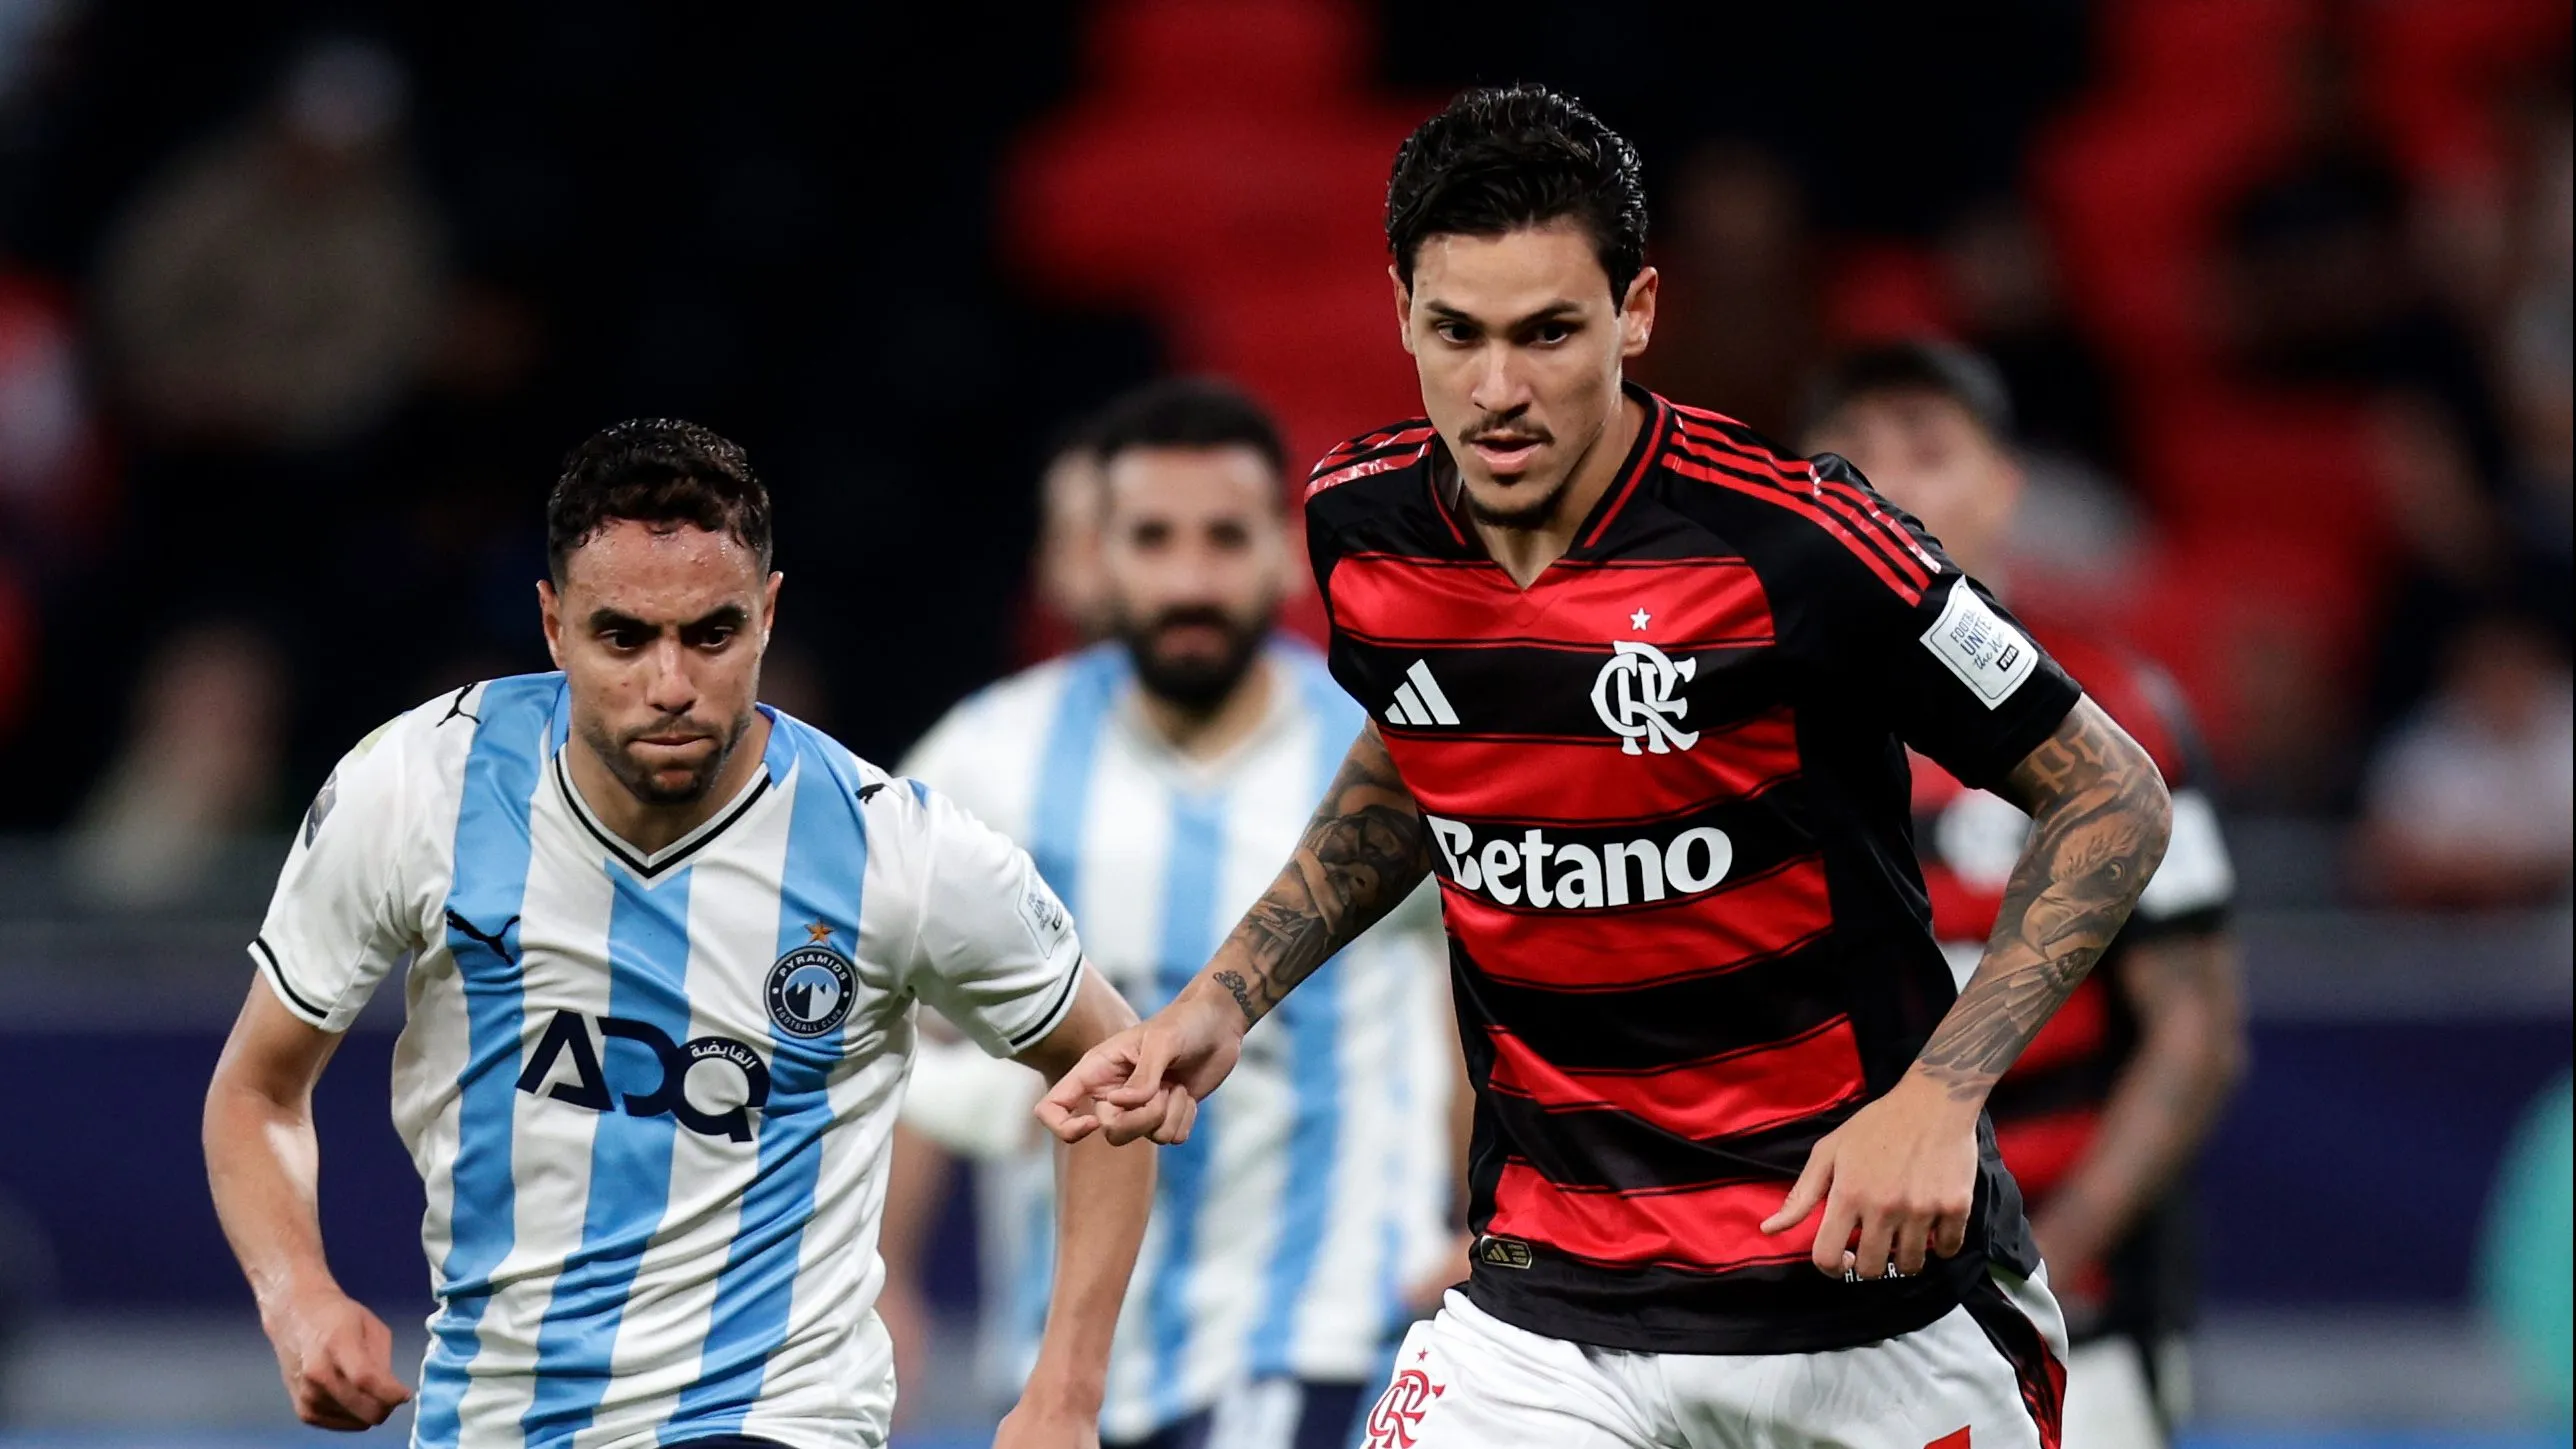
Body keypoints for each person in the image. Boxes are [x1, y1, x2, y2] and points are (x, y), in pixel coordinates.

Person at [1042, 84, 2180, 1449]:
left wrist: (1939, 1097)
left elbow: (2112, 790)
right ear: (1399, 306)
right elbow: (1421, 752)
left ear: (1636, 314)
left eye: (1549, 333)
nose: (1498, 390)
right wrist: (1224, 996)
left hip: (1860, 1306)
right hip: (1546, 1312)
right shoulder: (1362, 526)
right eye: (1456, 333)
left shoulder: (1799, 542)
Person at [201, 419, 1156, 1449]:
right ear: (553, 623)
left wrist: (1065, 1391)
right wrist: (297, 1296)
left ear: (768, 616)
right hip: (494, 1418)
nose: (670, 684)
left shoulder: (896, 851)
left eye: (711, 634)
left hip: (779, 1419)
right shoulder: (418, 790)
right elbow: (257, 1088)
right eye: (624, 637)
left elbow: (1118, 1070)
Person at [880, 379, 1460, 1449]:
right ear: (1101, 557)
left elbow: (1492, 995)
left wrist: (1492, 1224)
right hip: (1061, 1358)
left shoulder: (1381, 760)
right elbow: (886, 1014)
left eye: (1224, 538)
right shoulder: (993, 752)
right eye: (1153, 539)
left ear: (1286, 553)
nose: (1191, 578)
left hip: (1328, 1338)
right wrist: (888, 1275)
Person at [1802, 341, 2247, 1449]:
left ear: (2003, 486)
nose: (1888, 483)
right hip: (1798, 1315)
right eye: (1850, 453)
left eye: (1927, 448)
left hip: (2065, 1322)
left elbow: (2191, 1031)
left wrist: (2046, 1250)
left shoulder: (2114, 721)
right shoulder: (1727, 725)